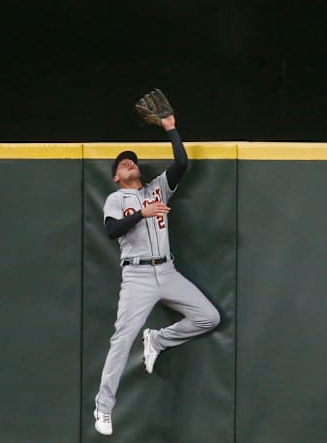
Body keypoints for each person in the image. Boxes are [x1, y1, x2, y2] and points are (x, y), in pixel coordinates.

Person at [93, 89, 221, 436]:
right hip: (137, 276)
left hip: (167, 270)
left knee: (209, 317)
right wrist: (142, 214)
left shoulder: (157, 189)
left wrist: (170, 128)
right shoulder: (116, 198)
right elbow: (110, 231)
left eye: (131, 160)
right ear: (116, 177)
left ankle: (159, 340)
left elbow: (181, 164)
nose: (129, 163)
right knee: (121, 341)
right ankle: (103, 408)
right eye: (122, 163)